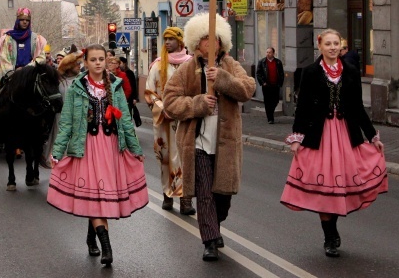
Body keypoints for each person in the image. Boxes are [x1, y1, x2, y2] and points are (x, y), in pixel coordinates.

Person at [280, 28, 387, 258]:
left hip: (345, 135)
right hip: (320, 135)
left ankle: (333, 228)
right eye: (327, 44)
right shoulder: (309, 72)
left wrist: (372, 136)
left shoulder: (350, 70)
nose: (332, 47)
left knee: (341, 184)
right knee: (324, 186)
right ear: (320, 46)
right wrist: (297, 137)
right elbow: (303, 108)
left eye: (335, 43)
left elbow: (358, 107)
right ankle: (329, 236)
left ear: (341, 45)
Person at [164, 13, 256, 262]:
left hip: (225, 144)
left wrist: (223, 80)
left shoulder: (230, 65)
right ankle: (209, 241)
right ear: (196, 44)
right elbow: (170, 102)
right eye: (205, 39)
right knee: (204, 194)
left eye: (214, 38)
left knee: (222, 196)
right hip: (198, 143)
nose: (210, 43)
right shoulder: (186, 69)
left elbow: (248, 89)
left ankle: (215, 225)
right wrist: (197, 103)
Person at [47, 44, 148, 266]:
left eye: (101, 59)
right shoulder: (77, 88)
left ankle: (91, 237)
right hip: (86, 148)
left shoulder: (115, 85)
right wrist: (56, 152)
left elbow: (125, 123)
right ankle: (106, 246)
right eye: (93, 60)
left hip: (111, 147)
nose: (98, 63)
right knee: (95, 195)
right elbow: (66, 124)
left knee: (100, 197)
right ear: (85, 63)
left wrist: (135, 149)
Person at [144, 26, 195, 214]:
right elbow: (150, 92)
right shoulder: (158, 65)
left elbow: (197, 89)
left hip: (187, 120)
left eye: (171, 39)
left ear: (180, 41)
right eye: (165, 39)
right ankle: (167, 196)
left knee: (185, 159)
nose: (167, 42)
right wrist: (162, 108)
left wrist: (189, 107)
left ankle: (186, 200)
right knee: (166, 159)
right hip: (165, 121)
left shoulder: (191, 63)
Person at [42, 45, 83, 168]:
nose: (79, 66)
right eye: (77, 64)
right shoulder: (58, 80)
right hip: (61, 117)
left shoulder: (82, 80)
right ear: (69, 66)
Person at [0, 7, 47, 78]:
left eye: (27, 20)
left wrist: (27, 68)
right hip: (12, 76)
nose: (25, 22)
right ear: (17, 21)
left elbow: (42, 58)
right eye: (22, 19)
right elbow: (4, 59)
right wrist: (13, 72)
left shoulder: (35, 38)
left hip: (31, 74)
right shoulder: (8, 38)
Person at [256, 47, 284, 124]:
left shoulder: (278, 62)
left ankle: (270, 112)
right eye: (267, 52)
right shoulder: (262, 62)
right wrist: (263, 82)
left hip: (275, 85)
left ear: (273, 53)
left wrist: (280, 83)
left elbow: (281, 73)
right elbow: (258, 73)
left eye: (270, 52)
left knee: (276, 100)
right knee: (267, 101)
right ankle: (270, 118)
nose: (268, 54)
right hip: (266, 85)